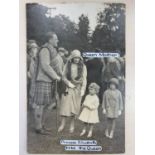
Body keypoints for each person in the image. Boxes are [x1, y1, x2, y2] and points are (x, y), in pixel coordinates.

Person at [33, 32, 63, 135]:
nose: (57, 41)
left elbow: (53, 65)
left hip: (47, 81)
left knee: (47, 104)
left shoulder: (51, 50)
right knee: (40, 105)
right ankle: (38, 128)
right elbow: (45, 66)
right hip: (42, 80)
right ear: (50, 40)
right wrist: (56, 76)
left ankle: (41, 125)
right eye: (56, 39)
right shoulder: (45, 49)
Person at [58, 49, 87, 133]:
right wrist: (69, 83)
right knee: (65, 105)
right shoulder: (68, 65)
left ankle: (72, 124)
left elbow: (84, 79)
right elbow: (63, 77)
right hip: (69, 87)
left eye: (78, 58)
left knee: (75, 107)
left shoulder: (83, 67)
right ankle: (62, 124)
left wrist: (83, 89)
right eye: (75, 57)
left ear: (80, 58)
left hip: (77, 88)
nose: (76, 59)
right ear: (72, 57)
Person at [27, 40, 39, 108]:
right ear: (30, 50)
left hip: (34, 76)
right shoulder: (29, 58)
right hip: (31, 77)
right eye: (34, 48)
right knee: (32, 90)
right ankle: (31, 104)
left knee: (33, 90)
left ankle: (32, 104)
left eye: (36, 48)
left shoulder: (35, 58)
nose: (35, 50)